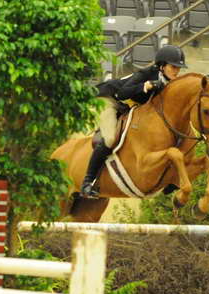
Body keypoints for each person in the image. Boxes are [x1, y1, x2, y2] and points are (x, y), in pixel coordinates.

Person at [80, 44, 188, 198]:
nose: (177, 71)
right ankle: (87, 183)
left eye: (179, 68)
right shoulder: (146, 74)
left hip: (128, 106)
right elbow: (122, 93)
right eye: (173, 67)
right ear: (162, 66)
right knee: (110, 138)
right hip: (110, 99)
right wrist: (145, 85)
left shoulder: (170, 83)